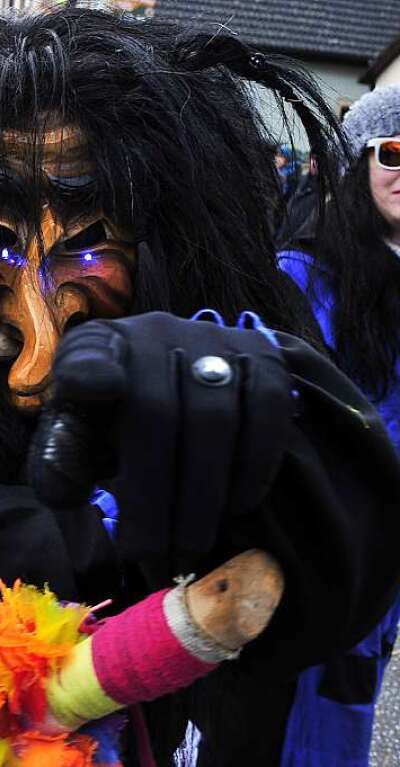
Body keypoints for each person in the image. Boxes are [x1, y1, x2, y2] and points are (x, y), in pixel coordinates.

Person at [0, 8, 399, 766]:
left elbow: (336, 578)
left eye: (87, 242)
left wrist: (274, 442)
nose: (36, 352)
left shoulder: (221, 335)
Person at [277, 84, 400, 767]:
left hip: (385, 554)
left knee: (353, 698)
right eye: (394, 153)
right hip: (322, 544)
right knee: (310, 719)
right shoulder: (305, 273)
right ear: (359, 162)